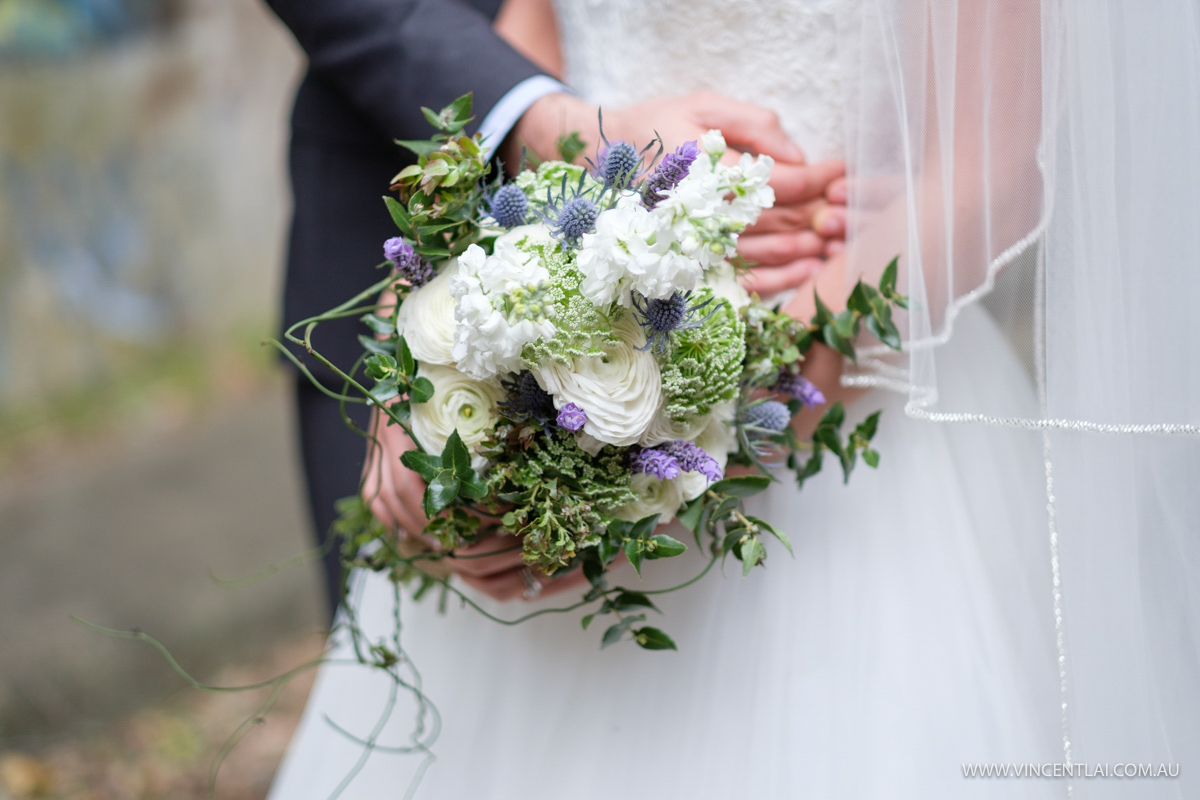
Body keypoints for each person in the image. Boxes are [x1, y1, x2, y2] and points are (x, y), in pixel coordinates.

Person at [270, 0, 1200, 797]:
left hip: (855, 392)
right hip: (558, 333)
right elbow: (528, 72)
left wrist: (734, 390)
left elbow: (993, 160)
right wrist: (427, 368)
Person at [263, 0, 847, 620]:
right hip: (506, 180)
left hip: (822, 317)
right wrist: (417, 308)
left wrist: (738, 407)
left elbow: (960, 166)